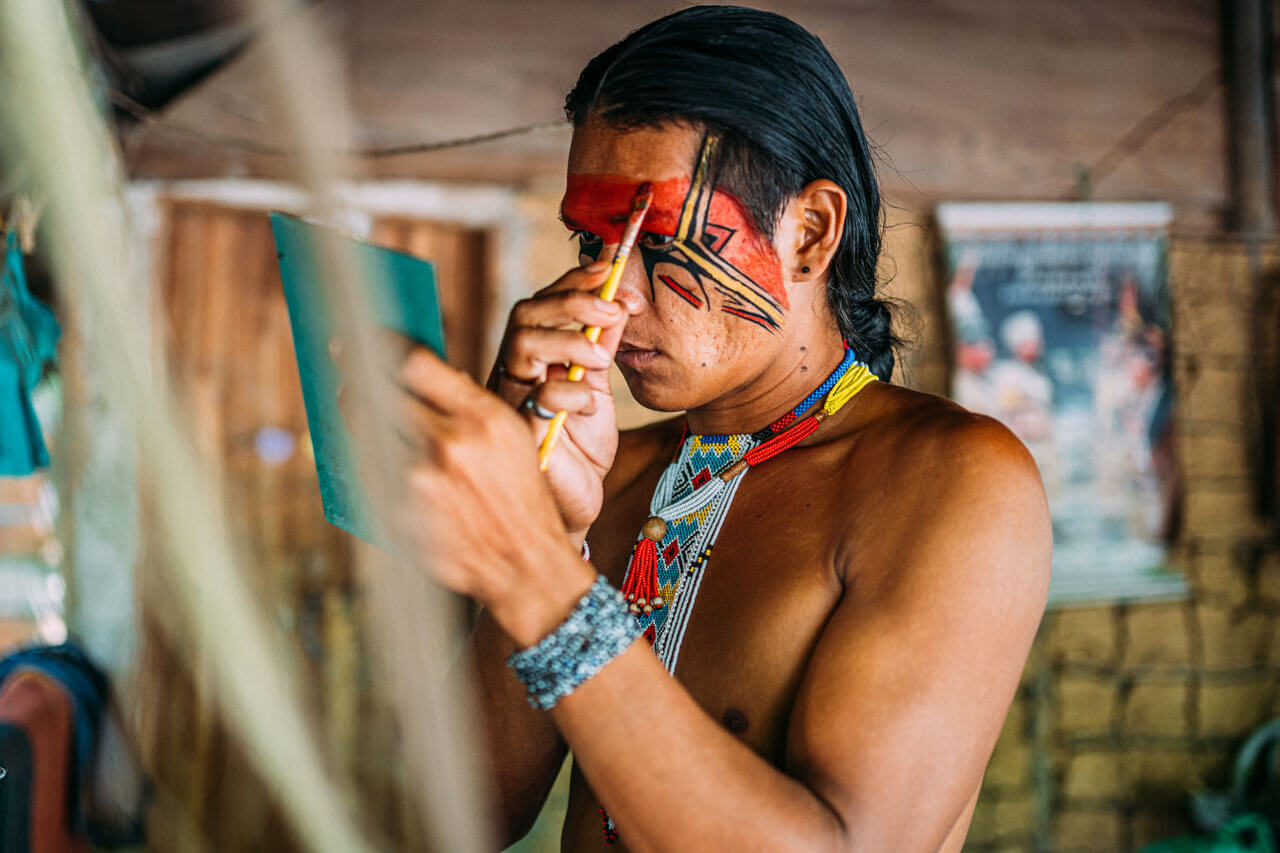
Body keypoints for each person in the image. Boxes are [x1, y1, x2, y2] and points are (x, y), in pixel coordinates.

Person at [369, 6, 1051, 849]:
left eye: (652, 237)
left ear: (808, 234)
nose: (609, 292)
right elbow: (450, 823)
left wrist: (538, 574)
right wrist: (553, 529)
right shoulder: (610, 482)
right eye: (593, 240)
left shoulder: (952, 480)